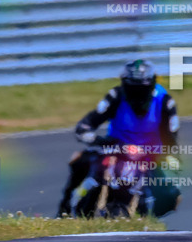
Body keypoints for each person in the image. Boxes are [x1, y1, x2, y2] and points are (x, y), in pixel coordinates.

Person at [57, 59, 181, 217]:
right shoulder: (115, 96)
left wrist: (166, 155)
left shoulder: (165, 102)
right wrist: (97, 140)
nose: (137, 94)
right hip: (115, 149)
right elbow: (85, 126)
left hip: (149, 155)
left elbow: (171, 137)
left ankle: (148, 218)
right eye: (132, 88)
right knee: (78, 162)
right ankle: (65, 209)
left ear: (151, 84)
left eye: (141, 89)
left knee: (170, 195)